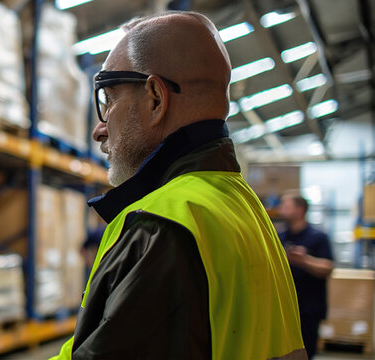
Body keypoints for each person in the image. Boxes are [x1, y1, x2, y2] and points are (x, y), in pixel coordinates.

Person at [50, 11, 305, 359]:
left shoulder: (161, 228)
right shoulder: (244, 208)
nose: (99, 129)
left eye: (109, 101)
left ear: (155, 98)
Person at [278, 193, 335, 359]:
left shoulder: (318, 237)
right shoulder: (280, 237)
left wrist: (303, 260)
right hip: (284, 308)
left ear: (300, 210)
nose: (281, 209)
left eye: (286, 206)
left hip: (309, 308)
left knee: (306, 352)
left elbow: (327, 267)